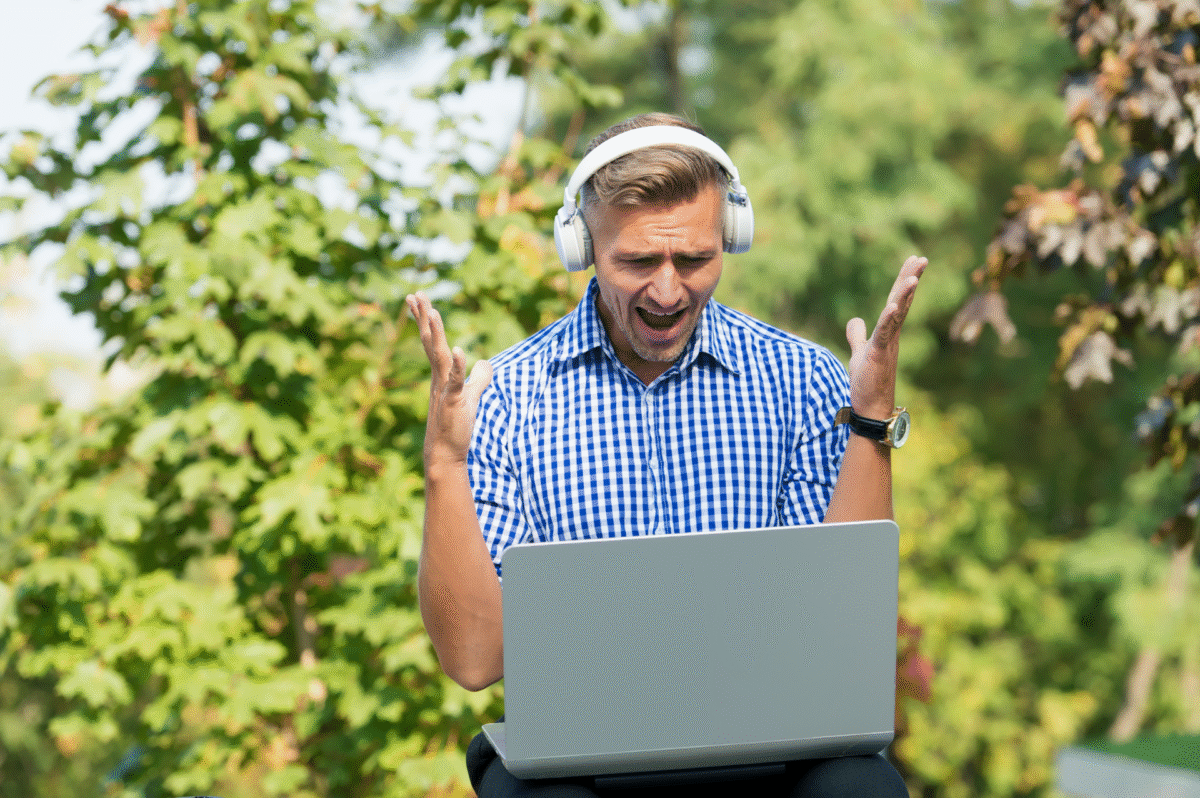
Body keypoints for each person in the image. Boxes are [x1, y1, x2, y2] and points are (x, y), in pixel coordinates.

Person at [405, 112, 925, 798]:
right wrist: (444, 467)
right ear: (582, 245)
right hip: (581, 767)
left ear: (730, 238)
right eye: (638, 261)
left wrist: (869, 422)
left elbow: (831, 637)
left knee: (861, 788)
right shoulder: (506, 399)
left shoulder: (804, 380)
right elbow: (474, 660)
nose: (668, 290)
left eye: (695, 258)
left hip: (770, 752)